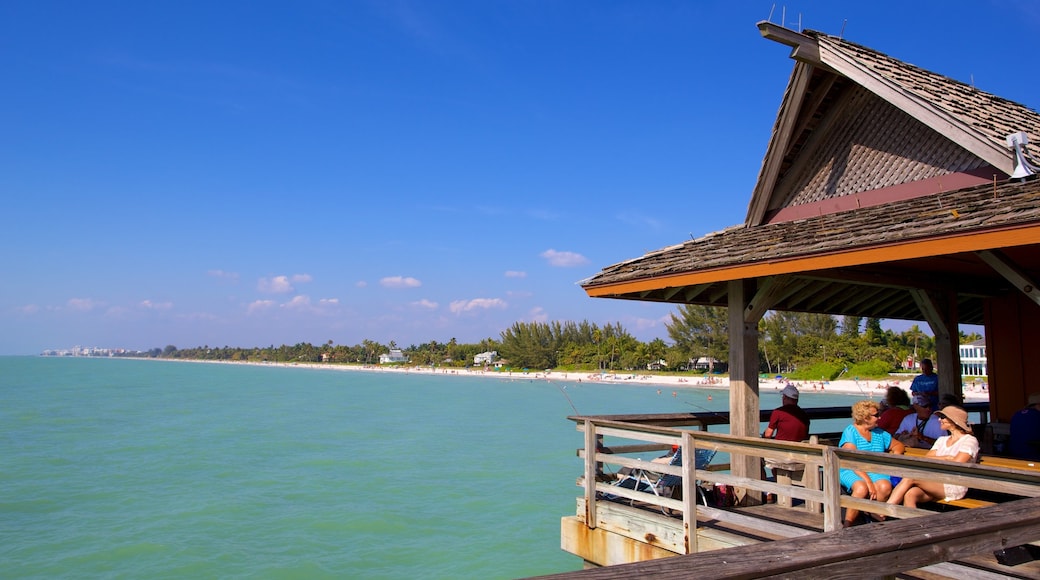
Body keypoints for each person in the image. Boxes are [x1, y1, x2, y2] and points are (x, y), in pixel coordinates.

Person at [887, 405, 979, 508]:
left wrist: (939, 460)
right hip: (935, 480)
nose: (939, 420)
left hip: (954, 484)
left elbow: (957, 464)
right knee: (910, 494)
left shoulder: (969, 440)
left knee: (911, 477)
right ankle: (914, 524)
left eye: (943, 417)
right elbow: (926, 459)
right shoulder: (942, 440)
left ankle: (884, 511)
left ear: (954, 421)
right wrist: (945, 458)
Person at [839, 400, 906, 527]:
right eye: (876, 415)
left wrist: (894, 459)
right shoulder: (851, 432)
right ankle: (847, 525)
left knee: (885, 486)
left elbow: (898, 445)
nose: (879, 418)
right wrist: (869, 482)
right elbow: (851, 460)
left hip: (874, 470)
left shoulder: (879, 433)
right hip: (851, 468)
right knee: (861, 488)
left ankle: (872, 517)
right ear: (865, 418)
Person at [1009, 393, 1040, 460]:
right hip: (1034, 456)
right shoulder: (1037, 415)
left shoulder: (1016, 415)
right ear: (1038, 405)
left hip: (1015, 456)